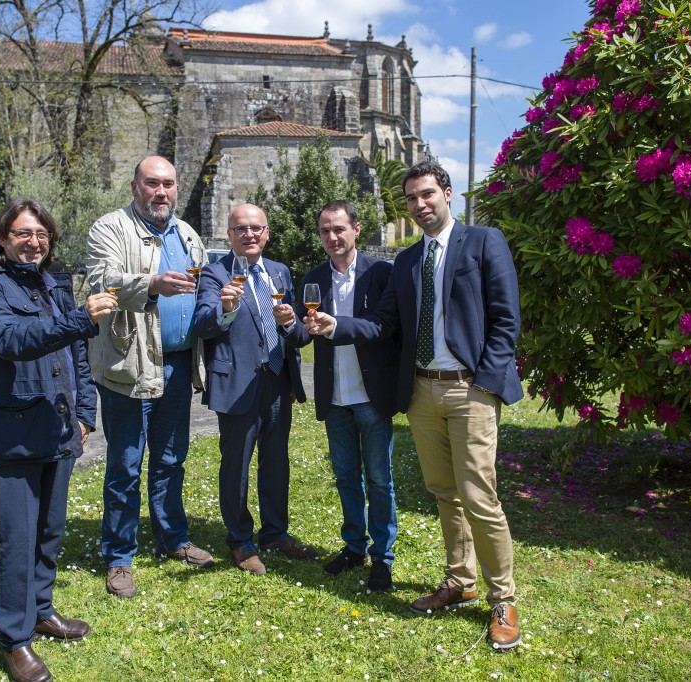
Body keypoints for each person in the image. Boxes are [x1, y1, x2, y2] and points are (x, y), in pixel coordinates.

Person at [307, 161, 524, 650]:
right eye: (411, 198)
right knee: (444, 491)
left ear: (447, 194)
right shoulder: (405, 262)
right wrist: (335, 327)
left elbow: (507, 320)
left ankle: (503, 599)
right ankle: (459, 579)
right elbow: (384, 324)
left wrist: (484, 384)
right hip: (422, 391)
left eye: (427, 194)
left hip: (470, 389)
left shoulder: (484, 242)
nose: (420, 205)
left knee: (479, 496)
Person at [0, 198, 117, 682]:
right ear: (2, 239)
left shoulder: (55, 284)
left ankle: (42, 608)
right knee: (16, 539)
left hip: (59, 426)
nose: (34, 242)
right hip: (13, 433)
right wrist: (80, 317)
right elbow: (11, 341)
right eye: (23, 234)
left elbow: (77, 355)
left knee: (49, 531)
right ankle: (15, 639)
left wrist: (86, 414)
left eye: (42, 235)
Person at [85, 156, 214, 600]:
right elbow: (101, 280)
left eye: (169, 184)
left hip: (178, 365)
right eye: (152, 184)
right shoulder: (110, 228)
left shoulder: (188, 235)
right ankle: (120, 556)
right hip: (129, 366)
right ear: (135, 186)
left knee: (170, 460)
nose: (162, 192)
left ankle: (173, 539)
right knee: (124, 465)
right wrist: (152, 284)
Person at [194, 203, 319, 575]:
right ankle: (240, 540)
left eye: (256, 228)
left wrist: (292, 321)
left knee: (276, 461)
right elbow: (203, 324)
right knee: (236, 465)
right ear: (229, 235)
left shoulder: (279, 272)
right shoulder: (215, 275)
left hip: (277, 382)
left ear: (267, 233)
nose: (249, 234)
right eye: (240, 229)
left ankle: (275, 533)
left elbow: (299, 338)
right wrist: (226, 308)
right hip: (236, 384)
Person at [299, 200, 400, 591]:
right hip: (335, 394)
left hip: (371, 394)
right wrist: (295, 324)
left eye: (339, 228)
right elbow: (304, 332)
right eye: (325, 230)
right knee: (345, 476)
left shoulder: (381, 274)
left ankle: (383, 557)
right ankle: (354, 547)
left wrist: (336, 325)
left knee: (379, 479)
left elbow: (384, 326)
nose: (332, 237)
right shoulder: (314, 278)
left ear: (357, 229)